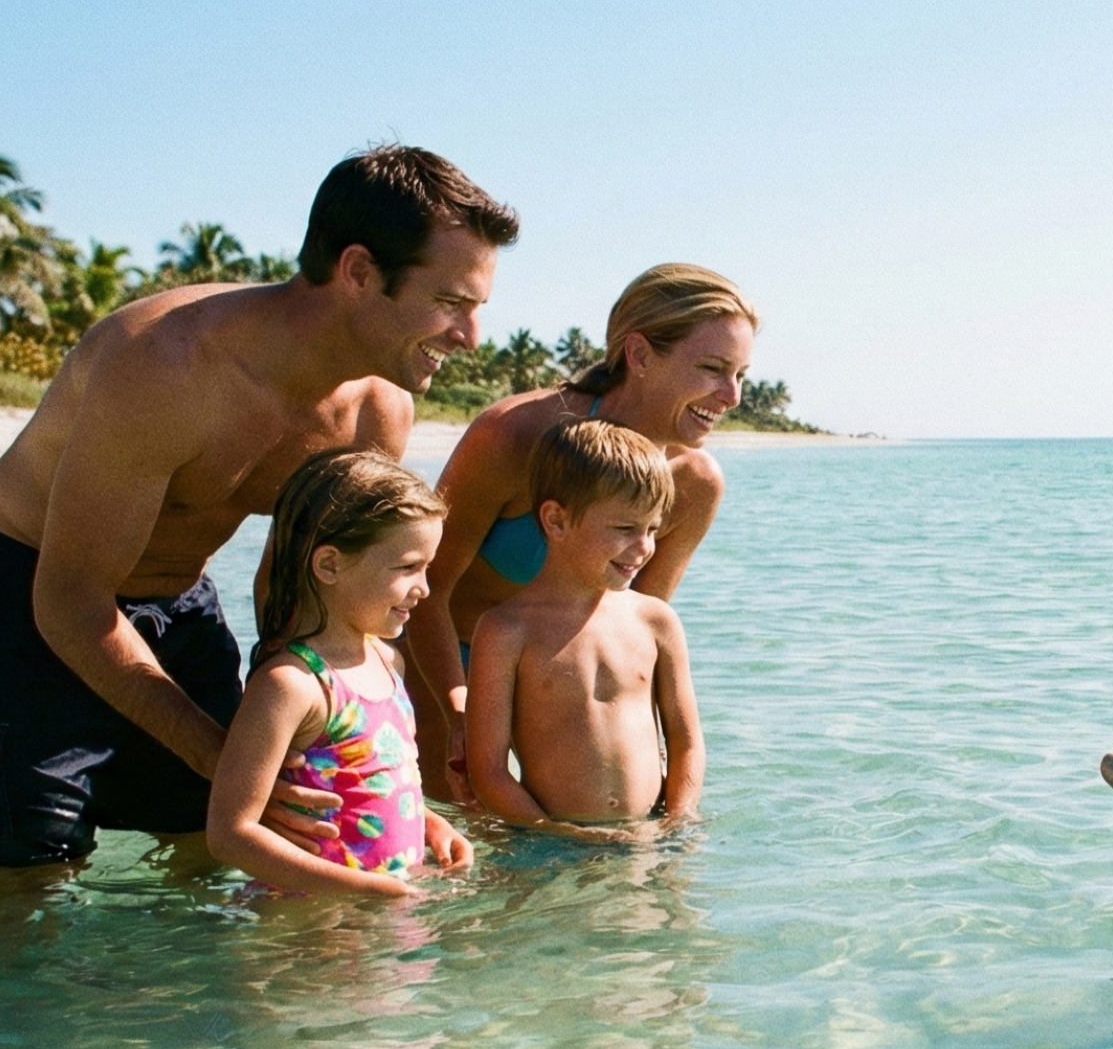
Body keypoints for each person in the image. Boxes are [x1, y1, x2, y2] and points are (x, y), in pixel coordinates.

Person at [0, 145, 517, 867]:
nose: (470, 337)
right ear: (359, 271)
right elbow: (70, 601)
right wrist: (235, 766)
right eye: (451, 303)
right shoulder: (168, 365)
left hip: (177, 602)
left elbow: (305, 591)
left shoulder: (375, 413)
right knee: (27, 875)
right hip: (27, 596)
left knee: (209, 850)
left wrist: (374, 780)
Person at [403, 263, 752, 801]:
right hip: (447, 663)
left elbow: (636, 631)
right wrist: (458, 711)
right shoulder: (515, 436)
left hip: (563, 685)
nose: (731, 395)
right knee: (442, 845)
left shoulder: (695, 483)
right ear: (638, 355)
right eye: (712, 368)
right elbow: (425, 586)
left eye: (741, 375)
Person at [207, 449, 472, 896]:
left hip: (385, 914)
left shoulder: (390, 662)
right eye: (408, 567)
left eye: (427, 568)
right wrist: (368, 890)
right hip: (306, 930)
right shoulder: (292, 684)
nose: (424, 589)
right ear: (330, 564)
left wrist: (431, 824)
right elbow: (230, 834)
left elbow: (381, 785)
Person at [463, 419, 704, 840]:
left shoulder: (656, 622)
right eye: (625, 528)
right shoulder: (506, 630)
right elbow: (488, 772)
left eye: (651, 529)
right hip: (548, 843)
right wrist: (559, 832)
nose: (644, 546)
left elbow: (686, 742)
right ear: (556, 520)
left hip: (649, 837)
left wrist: (677, 822)